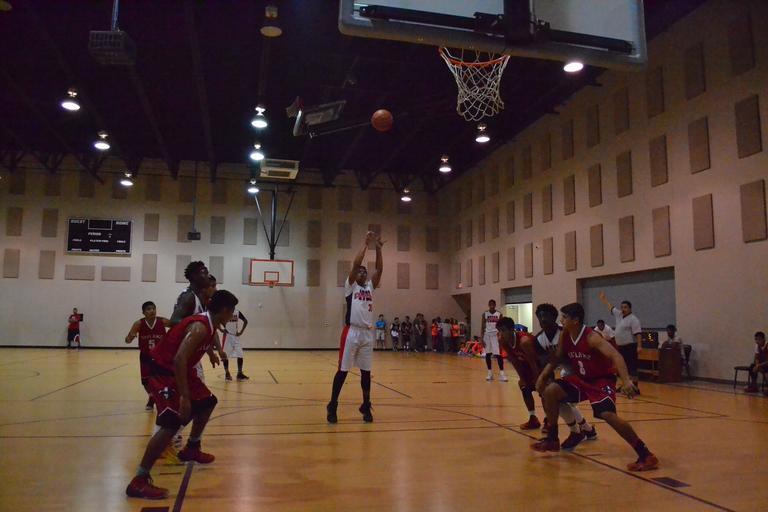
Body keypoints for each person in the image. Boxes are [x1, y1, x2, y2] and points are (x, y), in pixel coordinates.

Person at [125, 290, 239, 499]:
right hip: (163, 371)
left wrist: (212, 353)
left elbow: (206, 340)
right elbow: (179, 358)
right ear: (224, 310)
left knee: (207, 402)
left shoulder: (210, 323)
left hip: (180, 369)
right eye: (232, 311)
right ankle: (139, 480)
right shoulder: (199, 327)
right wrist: (185, 397)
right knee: (172, 423)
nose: (232, 315)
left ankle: (192, 447)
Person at [531, 302, 658, 472]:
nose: (561, 320)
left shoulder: (592, 337)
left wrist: (626, 381)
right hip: (581, 379)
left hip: (600, 380)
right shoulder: (565, 335)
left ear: (575, 320)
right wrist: (542, 376)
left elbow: (616, 355)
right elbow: (557, 358)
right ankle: (552, 439)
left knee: (608, 415)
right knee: (550, 391)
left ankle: (645, 454)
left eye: (565, 317)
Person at [327, 231, 383, 424]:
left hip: (367, 334)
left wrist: (379, 249)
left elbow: (379, 270)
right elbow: (356, 263)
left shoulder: (369, 288)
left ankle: (366, 405)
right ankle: (332, 404)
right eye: (360, 271)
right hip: (351, 332)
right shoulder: (351, 287)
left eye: (365, 271)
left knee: (366, 373)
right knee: (343, 370)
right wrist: (366, 243)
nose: (363, 272)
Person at [124, 302, 170, 410]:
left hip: (160, 356)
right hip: (146, 356)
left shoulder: (162, 321)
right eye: (149, 309)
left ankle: (164, 399)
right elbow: (127, 341)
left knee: (163, 379)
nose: (152, 311)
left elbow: (178, 326)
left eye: (153, 308)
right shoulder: (138, 324)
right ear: (143, 312)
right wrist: (130, 336)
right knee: (145, 381)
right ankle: (151, 396)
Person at [599, 292, 642, 392]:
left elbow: (638, 334)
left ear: (630, 308)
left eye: (625, 307)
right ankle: (623, 385)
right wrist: (604, 299)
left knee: (632, 367)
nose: (623, 309)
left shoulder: (633, 319)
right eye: (622, 307)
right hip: (620, 347)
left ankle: (635, 388)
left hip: (630, 346)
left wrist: (639, 346)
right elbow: (610, 307)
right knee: (621, 366)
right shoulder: (618, 314)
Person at [481, 300, 508, 382]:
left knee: (498, 354)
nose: (492, 306)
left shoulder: (499, 314)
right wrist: (482, 338)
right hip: (487, 335)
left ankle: (502, 374)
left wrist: (501, 336)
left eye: (493, 304)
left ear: (495, 305)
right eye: (490, 304)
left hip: (496, 335)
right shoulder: (485, 314)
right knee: (488, 354)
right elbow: (482, 326)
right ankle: (490, 373)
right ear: (488, 305)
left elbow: (502, 327)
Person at [222, 309, 249, 381]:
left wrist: (241, 332)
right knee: (225, 355)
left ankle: (239, 374)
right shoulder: (224, 311)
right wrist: (221, 329)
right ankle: (227, 374)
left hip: (235, 336)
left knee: (240, 354)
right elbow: (217, 321)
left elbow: (245, 321)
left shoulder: (237, 312)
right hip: (227, 336)